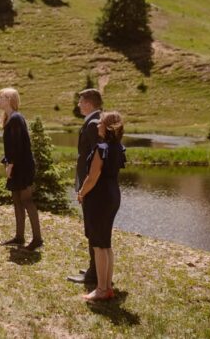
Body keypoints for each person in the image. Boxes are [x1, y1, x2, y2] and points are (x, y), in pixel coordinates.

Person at [77, 111, 126, 302]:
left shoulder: (101, 148)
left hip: (99, 196)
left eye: (100, 123)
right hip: (113, 194)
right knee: (106, 244)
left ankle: (101, 288)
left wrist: (82, 192)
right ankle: (106, 286)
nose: (97, 126)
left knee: (98, 245)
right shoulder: (117, 147)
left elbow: (92, 177)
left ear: (107, 127)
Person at [0, 88, 42, 249]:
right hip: (17, 165)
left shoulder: (16, 118)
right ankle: (19, 236)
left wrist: (10, 165)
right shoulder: (10, 118)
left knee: (26, 200)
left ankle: (37, 239)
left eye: (1, 97)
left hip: (22, 166)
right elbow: (12, 146)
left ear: (9, 99)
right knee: (16, 200)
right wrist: (7, 161)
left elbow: (17, 146)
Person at [68, 88, 103, 285]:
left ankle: (93, 274)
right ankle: (95, 266)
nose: (78, 104)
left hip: (91, 186)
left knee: (92, 228)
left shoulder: (93, 124)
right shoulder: (96, 120)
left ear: (89, 103)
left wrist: (85, 186)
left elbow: (94, 159)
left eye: (81, 101)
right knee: (92, 227)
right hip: (91, 184)